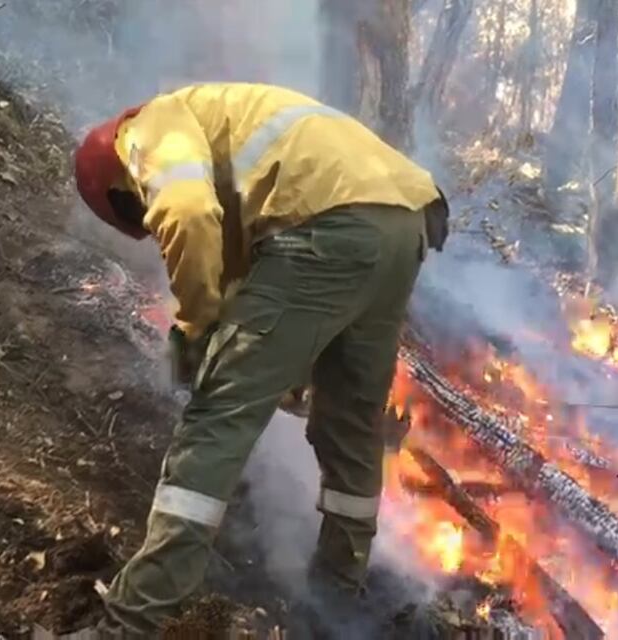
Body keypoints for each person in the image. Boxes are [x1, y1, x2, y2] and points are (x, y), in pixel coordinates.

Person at [72, 82, 448, 635]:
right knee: (350, 427)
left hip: (327, 222)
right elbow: (269, 286)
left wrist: (199, 330)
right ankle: (334, 604)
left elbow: (188, 212)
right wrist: (286, 371)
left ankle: (131, 622)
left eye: (135, 211)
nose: (144, 219)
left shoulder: (145, 131)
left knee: (216, 419)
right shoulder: (227, 131)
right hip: (405, 220)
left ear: (116, 185)